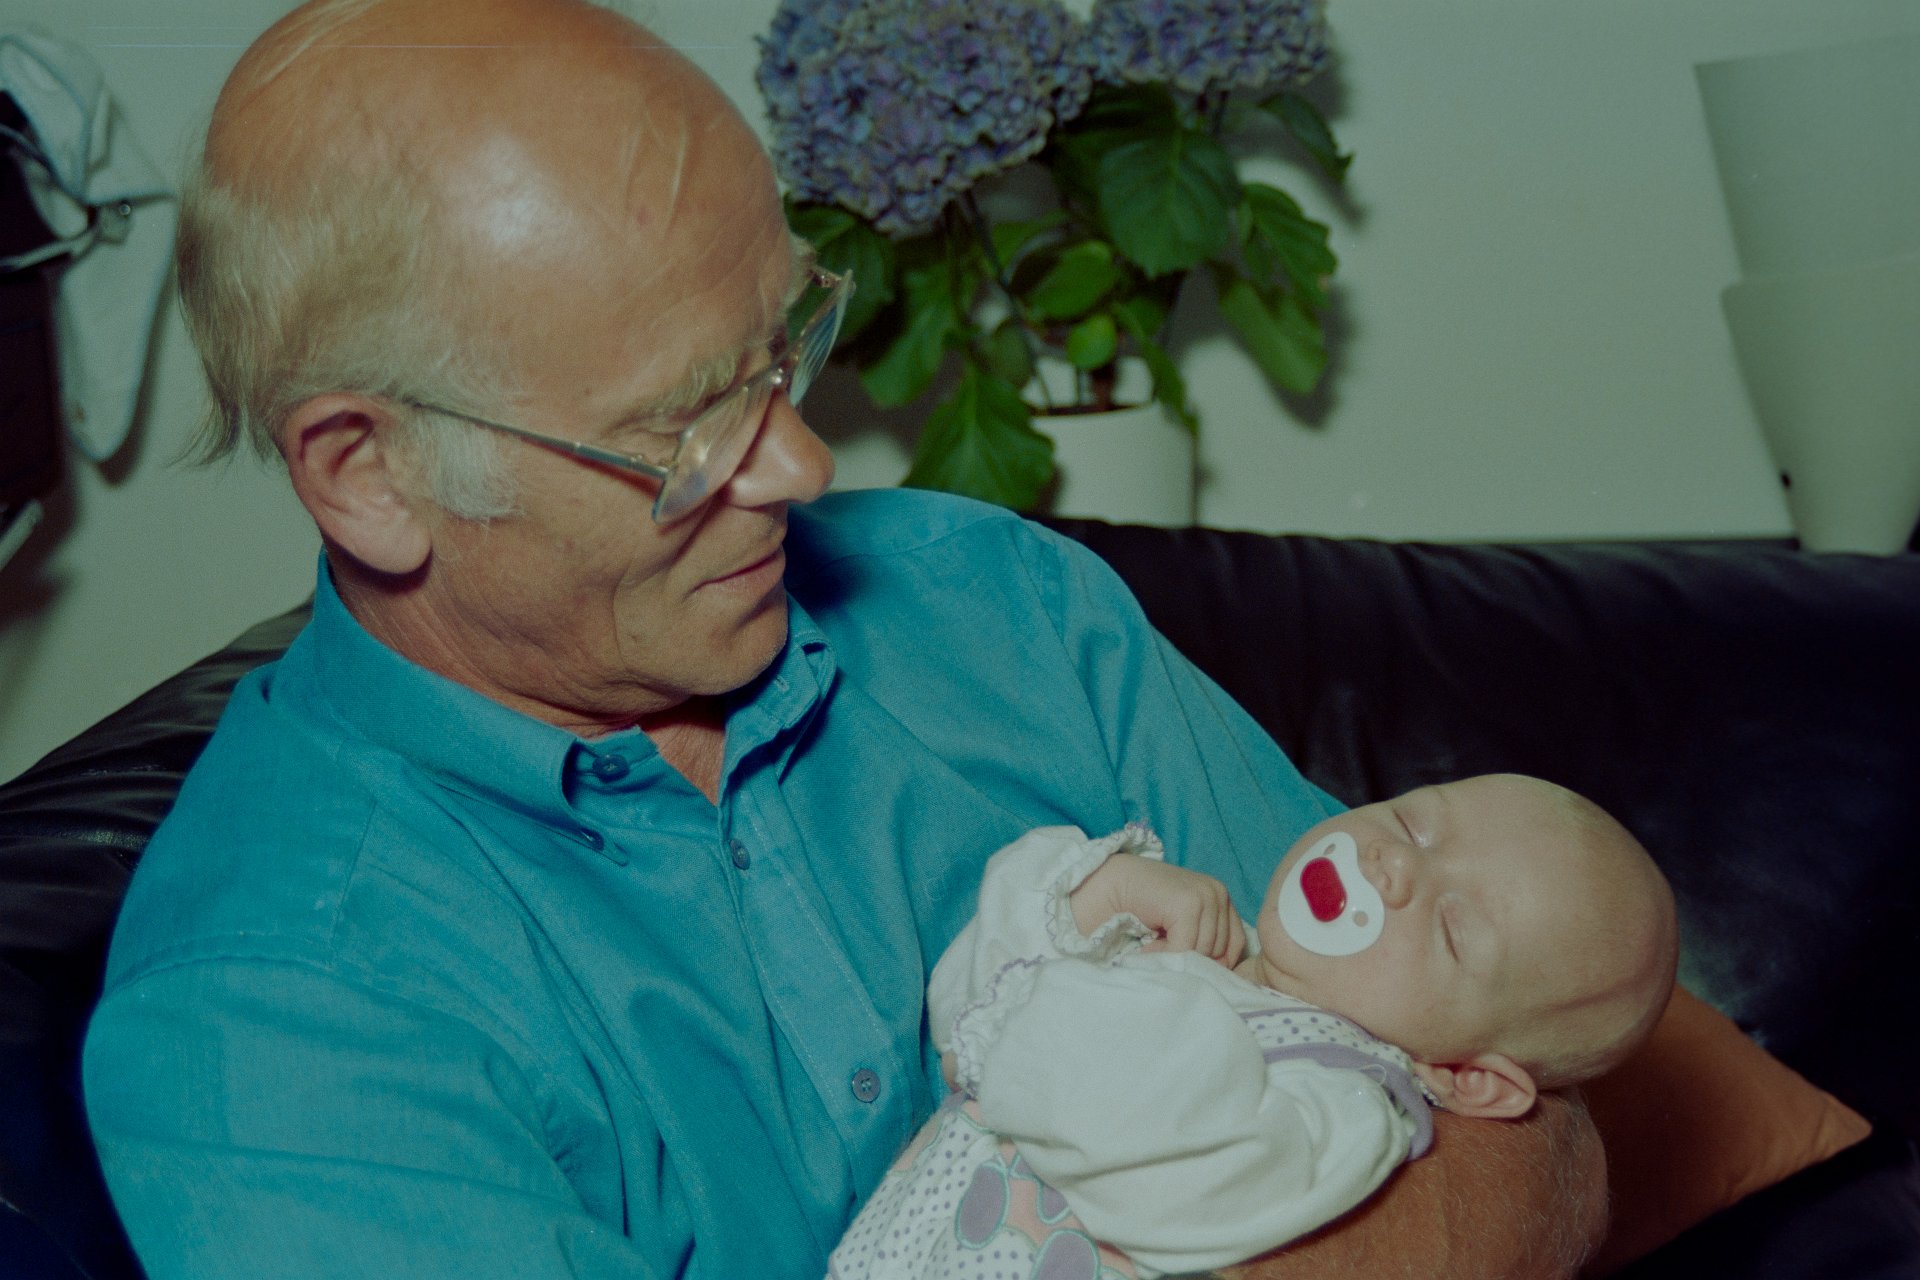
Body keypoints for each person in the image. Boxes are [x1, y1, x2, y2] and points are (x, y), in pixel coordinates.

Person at [80, 1, 1608, 1276]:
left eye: (783, 345)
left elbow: (1514, 1080)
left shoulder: (990, 600)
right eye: (685, 423)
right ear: (370, 475)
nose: (805, 467)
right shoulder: (275, 1021)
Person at [832, 774, 1679, 1279]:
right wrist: (1097, 900)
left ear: (1467, 1077)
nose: (1392, 863)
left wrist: (1091, 982)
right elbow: (964, 1020)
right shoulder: (1205, 948)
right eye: (1414, 823)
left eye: (1453, 928)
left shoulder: (1345, 1112)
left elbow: (1136, 1145)